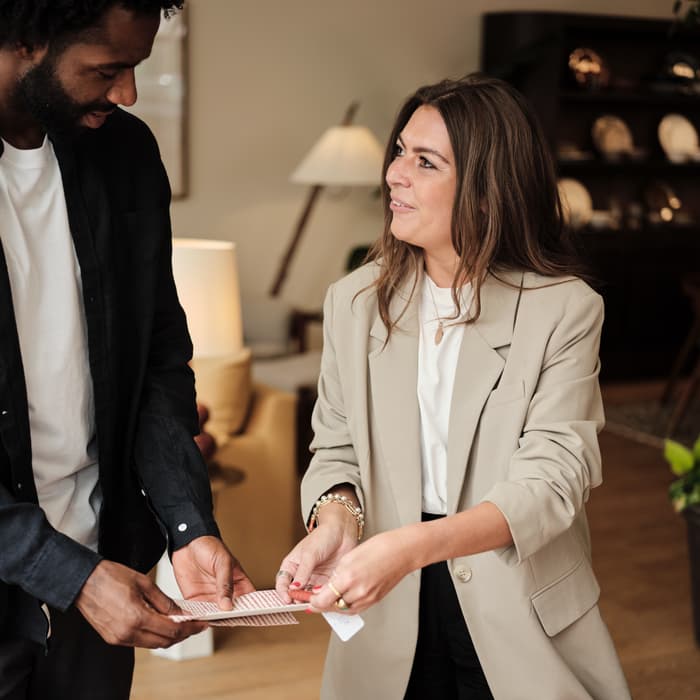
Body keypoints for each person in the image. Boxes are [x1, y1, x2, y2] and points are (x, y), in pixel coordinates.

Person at [276, 74, 631, 699]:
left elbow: (551, 480)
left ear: (489, 192)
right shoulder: (353, 302)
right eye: (399, 152)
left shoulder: (565, 311)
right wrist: (337, 521)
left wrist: (412, 547)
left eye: (425, 161)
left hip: (520, 602)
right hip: (387, 606)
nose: (394, 174)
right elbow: (336, 449)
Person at [0, 2, 253, 698]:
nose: (128, 94)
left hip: (103, 569)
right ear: (26, 40)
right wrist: (67, 573)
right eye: (108, 70)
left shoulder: (125, 153)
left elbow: (157, 360)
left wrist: (188, 524)